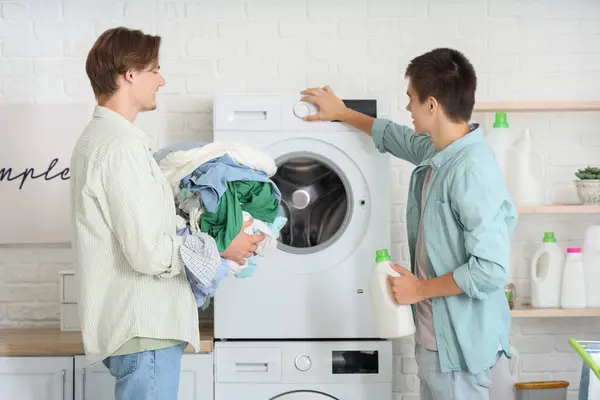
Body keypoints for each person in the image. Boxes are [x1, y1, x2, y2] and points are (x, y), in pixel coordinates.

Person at [300, 48, 517, 400]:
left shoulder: (471, 171)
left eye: (410, 99)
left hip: (460, 352)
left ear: (431, 105)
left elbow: (490, 270)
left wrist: (419, 290)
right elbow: (398, 139)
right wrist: (342, 113)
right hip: (439, 344)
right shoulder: (442, 152)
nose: (407, 108)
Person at [69, 27, 263, 399]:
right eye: (155, 69)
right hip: (145, 328)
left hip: (137, 329)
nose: (163, 79)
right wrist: (221, 246)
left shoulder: (103, 141)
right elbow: (148, 253)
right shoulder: (119, 146)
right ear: (129, 73)